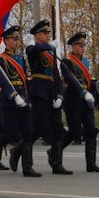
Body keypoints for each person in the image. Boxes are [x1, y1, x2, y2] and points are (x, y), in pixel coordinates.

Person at [0, 26, 41, 177]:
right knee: (10, 133)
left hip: (23, 100)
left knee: (28, 132)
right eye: (13, 39)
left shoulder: (20, 58)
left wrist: (27, 97)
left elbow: (24, 79)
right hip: (10, 102)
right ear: (5, 41)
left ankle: (27, 167)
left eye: (17, 39)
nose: (16, 42)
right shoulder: (0, 59)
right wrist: (14, 95)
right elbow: (3, 81)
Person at [26, 20, 71, 175]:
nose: (47, 36)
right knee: (39, 127)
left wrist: (59, 95)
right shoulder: (32, 49)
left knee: (58, 128)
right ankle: (21, 152)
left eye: (48, 34)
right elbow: (37, 49)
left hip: (52, 93)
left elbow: (57, 77)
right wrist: (49, 46)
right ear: (37, 35)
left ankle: (56, 163)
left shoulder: (51, 55)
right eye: (45, 33)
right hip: (39, 93)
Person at [61, 32, 99, 172]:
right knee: (74, 132)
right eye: (80, 46)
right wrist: (82, 92)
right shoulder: (67, 62)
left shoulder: (85, 62)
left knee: (91, 130)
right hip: (73, 100)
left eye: (84, 45)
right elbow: (70, 80)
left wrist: (95, 85)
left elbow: (87, 80)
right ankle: (55, 152)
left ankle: (91, 163)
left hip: (86, 101)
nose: (82, 48)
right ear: (73, 46)